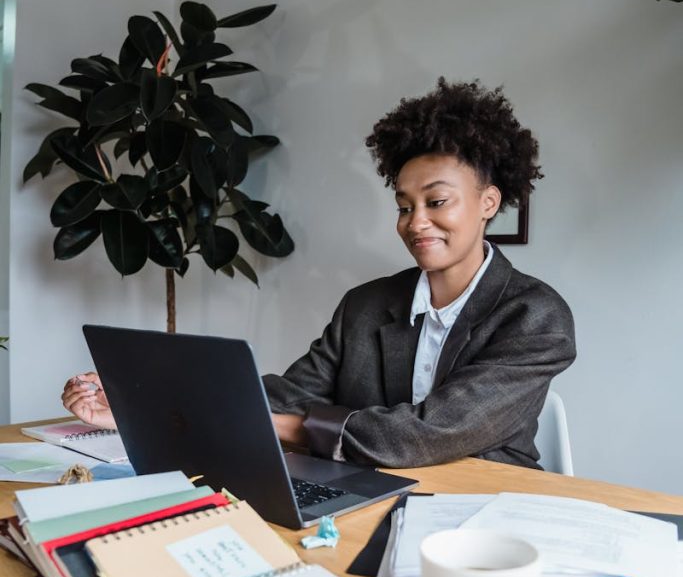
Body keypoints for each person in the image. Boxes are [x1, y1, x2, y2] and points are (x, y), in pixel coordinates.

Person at [63, 78, 575, 471]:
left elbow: (426, 433)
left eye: (437, 201)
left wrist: (280, 427)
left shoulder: (535, 317)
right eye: (403, 206)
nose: (416, 222)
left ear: (489, 202)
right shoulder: (366, 305)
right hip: (369, 487)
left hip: (485, 509)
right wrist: (143, 400)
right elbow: (289, 393)